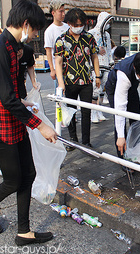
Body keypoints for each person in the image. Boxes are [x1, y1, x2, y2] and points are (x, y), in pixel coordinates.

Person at [0, 0, 57, 246]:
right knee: (13, 179)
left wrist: (24, 103)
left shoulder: (12, 46)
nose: (34, 36)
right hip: (2, 123)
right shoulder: (0, 48)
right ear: (25, 24)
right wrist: (40, 125)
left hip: (14, 119)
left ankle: (24, 231)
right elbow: (5, 97)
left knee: (29, 174)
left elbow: (11, 91)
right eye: (34, 31)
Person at [54, 7, 100, 148]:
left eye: (81, 25)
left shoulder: (89, 37)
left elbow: (94, 57)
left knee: (86, 112)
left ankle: (86, 141)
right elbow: (58, 62)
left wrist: (98, 76)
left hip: (86, 80)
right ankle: (72, 140)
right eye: (76, 25)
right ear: (69, 23)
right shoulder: (61, 40)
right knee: (70, 111)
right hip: (69, 81)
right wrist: (61, 84)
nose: (79, 28)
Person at [88, 11, 114, 123]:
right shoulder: (91, 33)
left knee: (102, 90)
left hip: (106, 65)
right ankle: (93, 112)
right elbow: (88, 48)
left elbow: (108, 50)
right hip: (95, 66)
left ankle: (99, 111)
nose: (108, 24)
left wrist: (111, 62)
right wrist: (98, 49)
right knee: (95, 89)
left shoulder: (107, 35)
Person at [44, 0, 69, 89]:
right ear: (53, 13)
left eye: (64, 11)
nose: (63, 14)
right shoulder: (49, 31)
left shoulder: (68, 27)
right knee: (60, 92)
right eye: (60, 11)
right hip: (58, 66)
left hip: (70, 66)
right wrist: (52, 69)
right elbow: (48, 51)